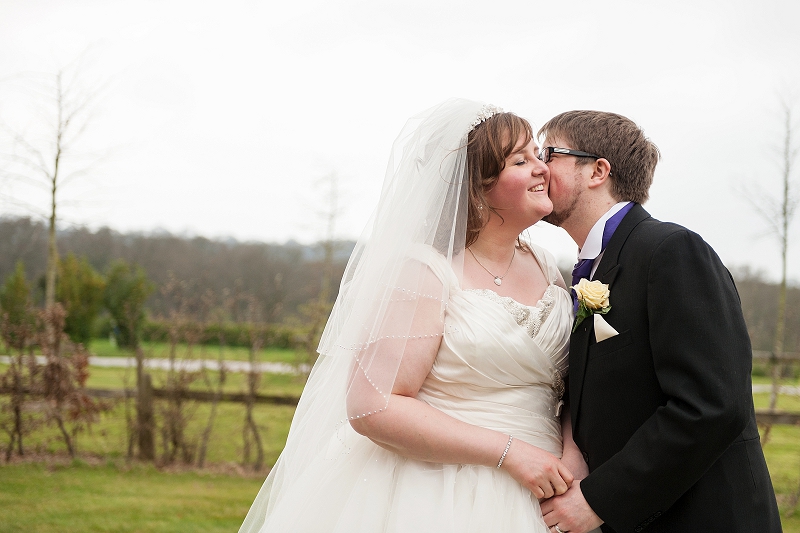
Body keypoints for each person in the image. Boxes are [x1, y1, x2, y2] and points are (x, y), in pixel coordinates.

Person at [239, 98, 585, 532]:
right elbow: (374, 405)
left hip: (548, 489)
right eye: (521, 160)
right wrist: (509, 452)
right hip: (445, 492)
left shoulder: (543, 264)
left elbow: (570, 385)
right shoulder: (424, 272)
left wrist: (572, 458)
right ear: (476, 186)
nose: (542, 168)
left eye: (538, 155)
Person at [537, 111, 782, 533]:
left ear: (598, 171)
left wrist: (600, 500)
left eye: (550, 153)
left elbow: (711, 405)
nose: (539, 166)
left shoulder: (671, 250)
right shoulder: (587, 272)